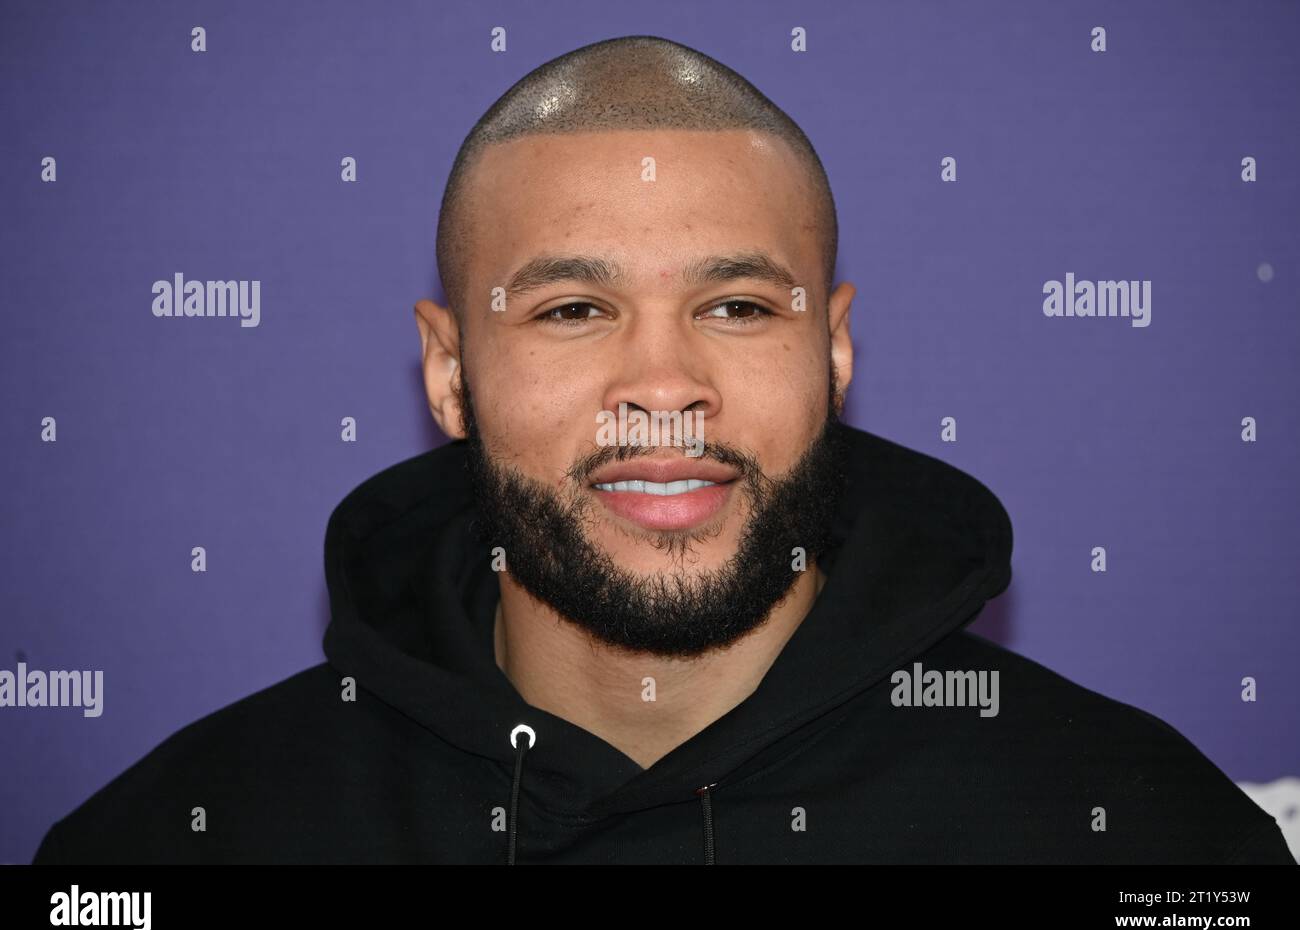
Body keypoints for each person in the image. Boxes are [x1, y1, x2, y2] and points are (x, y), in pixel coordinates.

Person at [33, 34, 1292, 864]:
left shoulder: (1135, 835)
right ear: (446, 369)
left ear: (835, 349)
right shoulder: (176, 845)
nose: (661, 389)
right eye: (572, 311)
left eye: (737, 306)